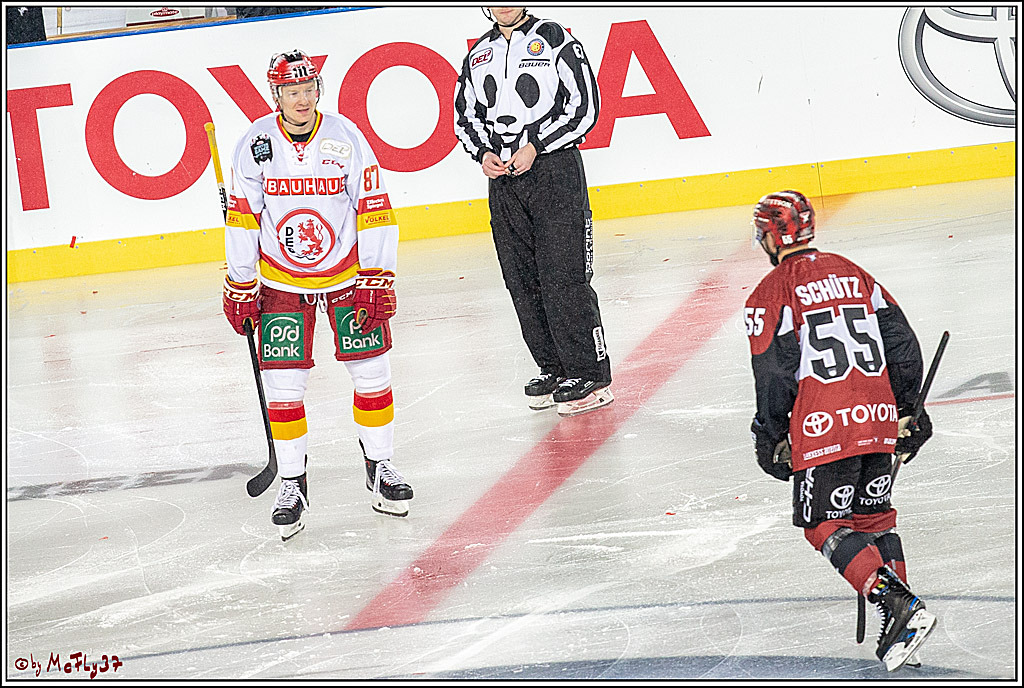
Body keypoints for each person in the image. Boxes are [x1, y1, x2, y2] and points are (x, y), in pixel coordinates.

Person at [222, 49, 413, 540]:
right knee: (284, 386)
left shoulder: (346, 137)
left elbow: (374, 206)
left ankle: (381, 468)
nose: (302, 99)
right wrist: (241, 281)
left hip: (348, 274)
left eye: (309, 90)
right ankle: (293, 483)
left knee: (372, 372)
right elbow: (242, 218)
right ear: (277, 94)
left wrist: (377, 274)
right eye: (292, 91)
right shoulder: (255, 143)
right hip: (282, 280)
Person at [744, 190, 937, 672]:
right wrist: (909, 406)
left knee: (822, 524)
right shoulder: (855, 273)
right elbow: (901, 340)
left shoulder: (771, 292)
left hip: (823, 424)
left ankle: (900, 607)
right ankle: (904, 632)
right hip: (877, 417)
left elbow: (773, 371)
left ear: (770, 236)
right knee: (874, 522)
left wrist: (770, 435)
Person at [454, 7, 613, 417]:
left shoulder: (555, 37)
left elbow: (585, 107)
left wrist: (537, 145)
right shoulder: (479, 53)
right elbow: (465, 116)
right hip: (505, 182)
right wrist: (483, 154)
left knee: (564, 276)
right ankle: (554, 367)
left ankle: (590, 373)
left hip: (554, 173)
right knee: (522, 280)